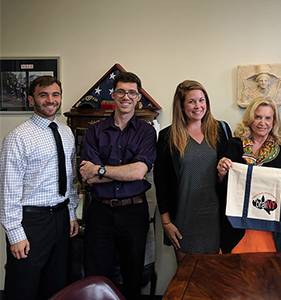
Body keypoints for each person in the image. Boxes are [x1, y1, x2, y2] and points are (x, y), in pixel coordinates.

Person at [0, 76, 79, 300]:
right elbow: (8, 189)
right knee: (24, 285)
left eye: (55, 94)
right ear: (31, 99)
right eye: (43, 95)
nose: (50, 100)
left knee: (56, 285)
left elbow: (71, 178)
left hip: (61, 217)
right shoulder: (17, 137)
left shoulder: (66, 132)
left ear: (60, 98)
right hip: (31, 222)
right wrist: (15, 234)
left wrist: (71, 213)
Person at [79, 72, 156, 299]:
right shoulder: (95, 131)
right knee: (96, 278)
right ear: (113, 94)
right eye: (121, 91)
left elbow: (139, 172)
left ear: (138, 97)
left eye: (132, 92)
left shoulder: (147, 132)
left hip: (134, 212)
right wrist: (125, 172)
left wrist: (101, 169)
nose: (126, 97)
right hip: (99, 211)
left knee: (132, 277)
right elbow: (88, 176)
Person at [217, 97, 281, 253]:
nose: (262, 122)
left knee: (269, 274)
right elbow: (221, 188)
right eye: (258, 117)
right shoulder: (234, 145)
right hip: (238, 229)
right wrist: (221, 174)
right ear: (250, 119)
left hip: (270, 229)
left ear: (274, 122)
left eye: (268, 118)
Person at [154, 80, 232, 265]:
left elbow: (231, 175)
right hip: (183, 219)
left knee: (215, 279)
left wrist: (224, 173)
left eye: (201, 100)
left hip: (215, 218)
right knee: (188, 279)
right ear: (181, 106)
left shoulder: (221, 130)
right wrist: (166, 223)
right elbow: (161, 182)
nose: (198, 106)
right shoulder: (168, 136)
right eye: (191, 101)